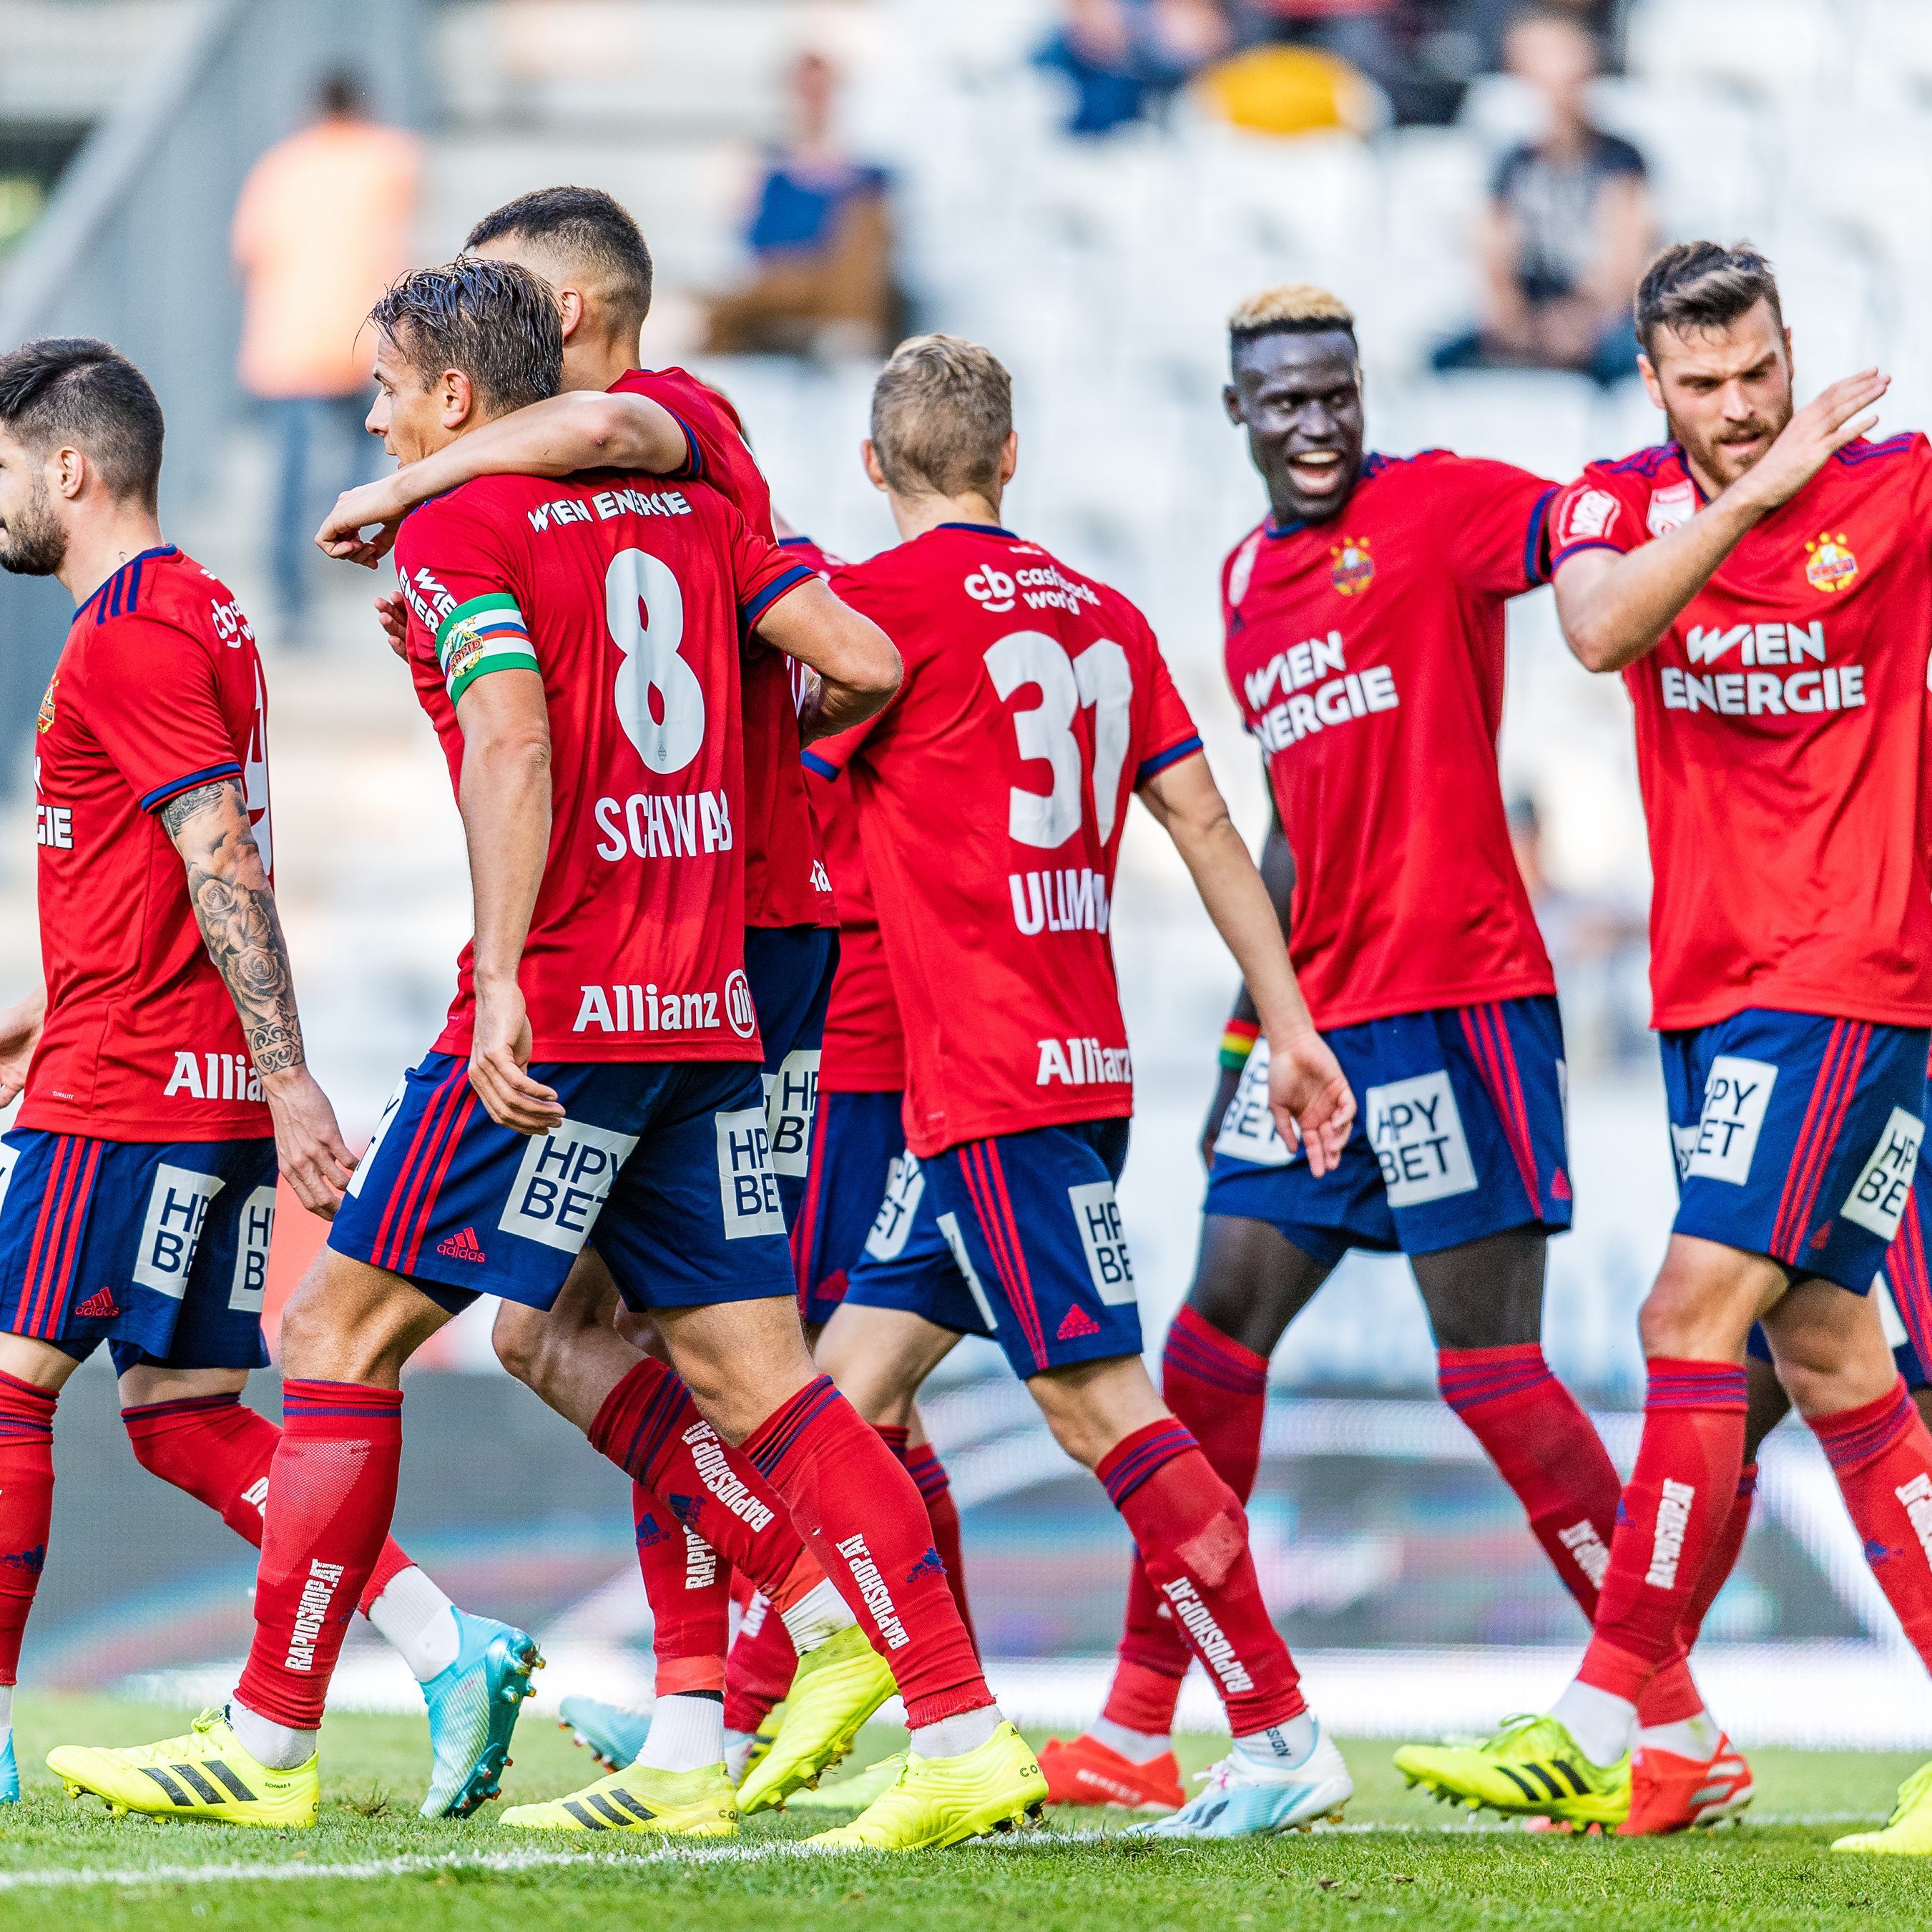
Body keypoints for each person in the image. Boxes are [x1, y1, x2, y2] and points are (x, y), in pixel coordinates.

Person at [49, 261, 1037, 1854]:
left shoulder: (464, 526)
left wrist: (505, 974)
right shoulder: (705, 507)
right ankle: (951, 1718)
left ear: (455, 397)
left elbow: (515, 735)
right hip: (704, 1006)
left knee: (334, 1332)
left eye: (386, 391)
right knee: (755, 1377)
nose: (373, 420)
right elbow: (846, 668)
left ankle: (271, 1734)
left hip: (561, 1009)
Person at [1031, 281, 1739, 1830]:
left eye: (1335, 393)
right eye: (1285, 400)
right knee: (1211, 1341)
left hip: (1456, 1003)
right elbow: (1293, 821)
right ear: (1239, 412)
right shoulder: (1242, 578)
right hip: (1314, 1030)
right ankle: (1142, 1720)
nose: (1315, 424)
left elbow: (1581, 513)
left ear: (1362, 391)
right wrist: (1257, 1020)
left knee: (1488, 1369)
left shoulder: (1432, 509)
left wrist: (1700, 457)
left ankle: (1673, 1719)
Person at [314, 187, 934, 1823]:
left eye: (509, 298)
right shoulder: (601, 507)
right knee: (599, 1332)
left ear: (570, 316)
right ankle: (714, 1715)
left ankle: (799, 1675)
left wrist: (414, 485)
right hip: (697, 939)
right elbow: (836, 657)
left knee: (691, 1345)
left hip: (714, 940)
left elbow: (603, 499)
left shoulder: (662, 420)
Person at [1394, 242, 1932, 1853]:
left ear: (1790, 347)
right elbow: (1597, 631)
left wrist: (1788, 478)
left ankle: (1603, 1713)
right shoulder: (1617, 504)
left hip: (1845, 979)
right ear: (1651, 383)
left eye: (1760, 369)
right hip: (1710, 994)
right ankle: (1675, 1742)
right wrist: (1752, 492)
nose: (1743, 402)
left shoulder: (1894, 487)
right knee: (1830, 1359)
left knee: (1682, 1311)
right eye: (1705, 382)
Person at [805, 332, 1361, 1841]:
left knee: (1096, 1405)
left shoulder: (869, 609)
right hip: (1075, 1065)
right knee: (838, 1404)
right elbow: (1206, 824)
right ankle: (935, 1721)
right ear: (1009, 458)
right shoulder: (1104, 611)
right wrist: (1289, 1020)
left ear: (873, 465)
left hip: (992, 1081)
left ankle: (1277, 1728)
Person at [0, 337, 535, 1825]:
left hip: (126, 1092)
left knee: (9, 1387)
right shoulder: (206, 610)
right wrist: (53, 1005)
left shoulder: (125, 634)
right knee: (181, 1412)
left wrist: (294, 1078)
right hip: (179, 1071)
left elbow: (219, 850)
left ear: (68, 468)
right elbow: (159, 862)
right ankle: (444, 1642)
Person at [230, 70, 420, 641]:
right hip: (360, 340)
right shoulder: (390, 158)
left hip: (287, 346)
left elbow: (245, 254)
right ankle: (352, 518)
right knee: (373, 441)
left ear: (313, 109)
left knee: (288, 482)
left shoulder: (280, 166)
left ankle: (291, 602)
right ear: (365, 106)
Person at [1431, 8, 1652, 388]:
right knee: (1443, 359)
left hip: (1598, 320)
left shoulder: (1621, 160)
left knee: (1629, 355)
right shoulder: (1511, 164)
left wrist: (1577, 322)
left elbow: (1623, 270)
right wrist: (1515, 324)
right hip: (1531, 314)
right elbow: (1494, 261)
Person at [701, 52, 900, 359]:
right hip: (781, 281)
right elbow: (749, 245)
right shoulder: (764, 166)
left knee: (868, 217)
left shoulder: (870, 176)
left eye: (823, 91)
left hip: (841, 284)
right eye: (806, 91)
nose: (814, 101)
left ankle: (845, 334)